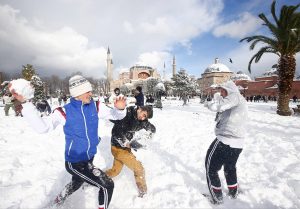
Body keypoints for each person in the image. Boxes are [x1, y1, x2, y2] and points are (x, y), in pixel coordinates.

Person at [9, 75, 127, 209]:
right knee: (107, 185)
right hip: (75, 162)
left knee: (76, 183)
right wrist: (26, 104)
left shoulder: (96, 106)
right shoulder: (64, 111)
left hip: (89, 158)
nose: (90, 93)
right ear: (78, 93)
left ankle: (58, 201)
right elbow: (43, 128)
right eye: (87, 91)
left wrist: (120, 109)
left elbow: (116, 116)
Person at [204, 80, 248, 204]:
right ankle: (233, 192)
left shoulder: (234, 96)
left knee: (211, 168)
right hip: (237, 142)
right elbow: (220, 115)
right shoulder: (237, 100)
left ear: (230, 90)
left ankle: (216, 198)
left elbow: (218, 106)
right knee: (230, 167)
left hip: (226, 140)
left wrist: (209, 104)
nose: (222, 93)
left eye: (223, 90)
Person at [105, 105, 156, 198]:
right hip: (118, 148)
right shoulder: (125, 114)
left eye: (145, 117)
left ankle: (95, 178)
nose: (143, 117)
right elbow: (116, 133)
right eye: (143, 114)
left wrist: (150, 133)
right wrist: (126, 143)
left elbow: (151, 127)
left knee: (115, 171)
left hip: (125, 149)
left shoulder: (142, 120)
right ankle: (143, 193)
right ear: (140, 109)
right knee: (139, 169)